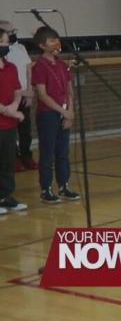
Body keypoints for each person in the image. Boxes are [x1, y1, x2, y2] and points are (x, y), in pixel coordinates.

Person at [31, 26, 80, 204]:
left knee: (63, 152)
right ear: (42, 45)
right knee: (48, 153)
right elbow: (43, 95)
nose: (56, 43)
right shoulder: (39, 67)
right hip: (48, 114)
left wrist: (70, 113)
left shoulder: (62, 65)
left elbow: (69, 90)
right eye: (51, 41)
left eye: (57, 40)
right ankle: (46, 189)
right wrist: (62, 111)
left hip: (64, 112)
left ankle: (64, 186)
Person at [0, 21, 35, 170]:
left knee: (25, 130)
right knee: (8, 132)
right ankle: (14, 158)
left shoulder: (20, 48)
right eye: (9, 32)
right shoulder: (4, 56)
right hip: (5, 100)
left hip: (21, 95)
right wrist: (8, 109)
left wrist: (29, 91)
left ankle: (26, 156)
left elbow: (28, 70)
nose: (12, 34)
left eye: (13, 31)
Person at [0, 28, 27, 213]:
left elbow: (17, 91)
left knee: (7, 161)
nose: (7, 46)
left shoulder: (11, 67)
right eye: (3, 42)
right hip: (4, 118)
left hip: (9, 125)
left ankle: (5, 196)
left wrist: (15, 106)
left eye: (7, 42)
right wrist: (8, 112)